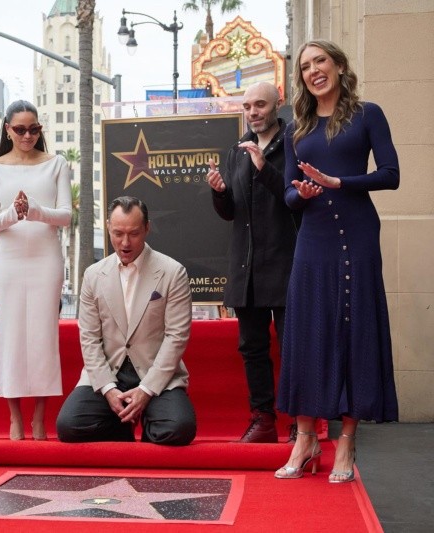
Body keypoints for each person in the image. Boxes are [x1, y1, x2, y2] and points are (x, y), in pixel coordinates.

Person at [275, 40, 399, 482]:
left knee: (353, 329)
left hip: (359, 236)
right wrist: (303, 192)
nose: (313, 71)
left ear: (339, 65)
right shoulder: (296, 128)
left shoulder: (368, 114)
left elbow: (391, 174)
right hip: (314, 240)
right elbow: (289, 193)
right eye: (306, 66)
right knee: (309, 332)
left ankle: (346, 442)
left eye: (320, 61)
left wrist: (337, 181)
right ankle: (305, 438)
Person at [56, 196, 196, 446]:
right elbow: (89, 338)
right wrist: (108, 389)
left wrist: (146, 391)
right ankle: (120, 426)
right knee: (69, 426)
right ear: (108, 227)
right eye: (118, 233)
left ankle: (147, 419)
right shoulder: (93, 275)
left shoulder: (173, 272)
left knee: (179, 429)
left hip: (156, 373)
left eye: (134, 233)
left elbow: (176, 337)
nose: (125, 242)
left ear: (147, 229)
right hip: (108, 371)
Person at [206, 82, 298, 443]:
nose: (253, 111)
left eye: (260, 104)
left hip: (287, 263)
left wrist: (264, 167)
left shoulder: (294, 143)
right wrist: (219, 192)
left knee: (292, 346)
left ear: (278, 104)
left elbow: (295, 199)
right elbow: (231, 212)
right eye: (247, 106)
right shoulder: (236, 151)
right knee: (252, 348)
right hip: (246, 268)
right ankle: (263, 420)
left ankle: (299, 421)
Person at [0, 100, 71, 440]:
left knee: (44, 337)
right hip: (10, 259)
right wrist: (14, 214)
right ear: (7, 129)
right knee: (12, 337)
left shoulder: (56, 164)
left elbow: (65, 215)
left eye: (34, 129)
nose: (27, 135)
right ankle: (14, 417)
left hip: (46, 259)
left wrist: (33, 210)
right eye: (20, 129)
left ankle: (39, 418)